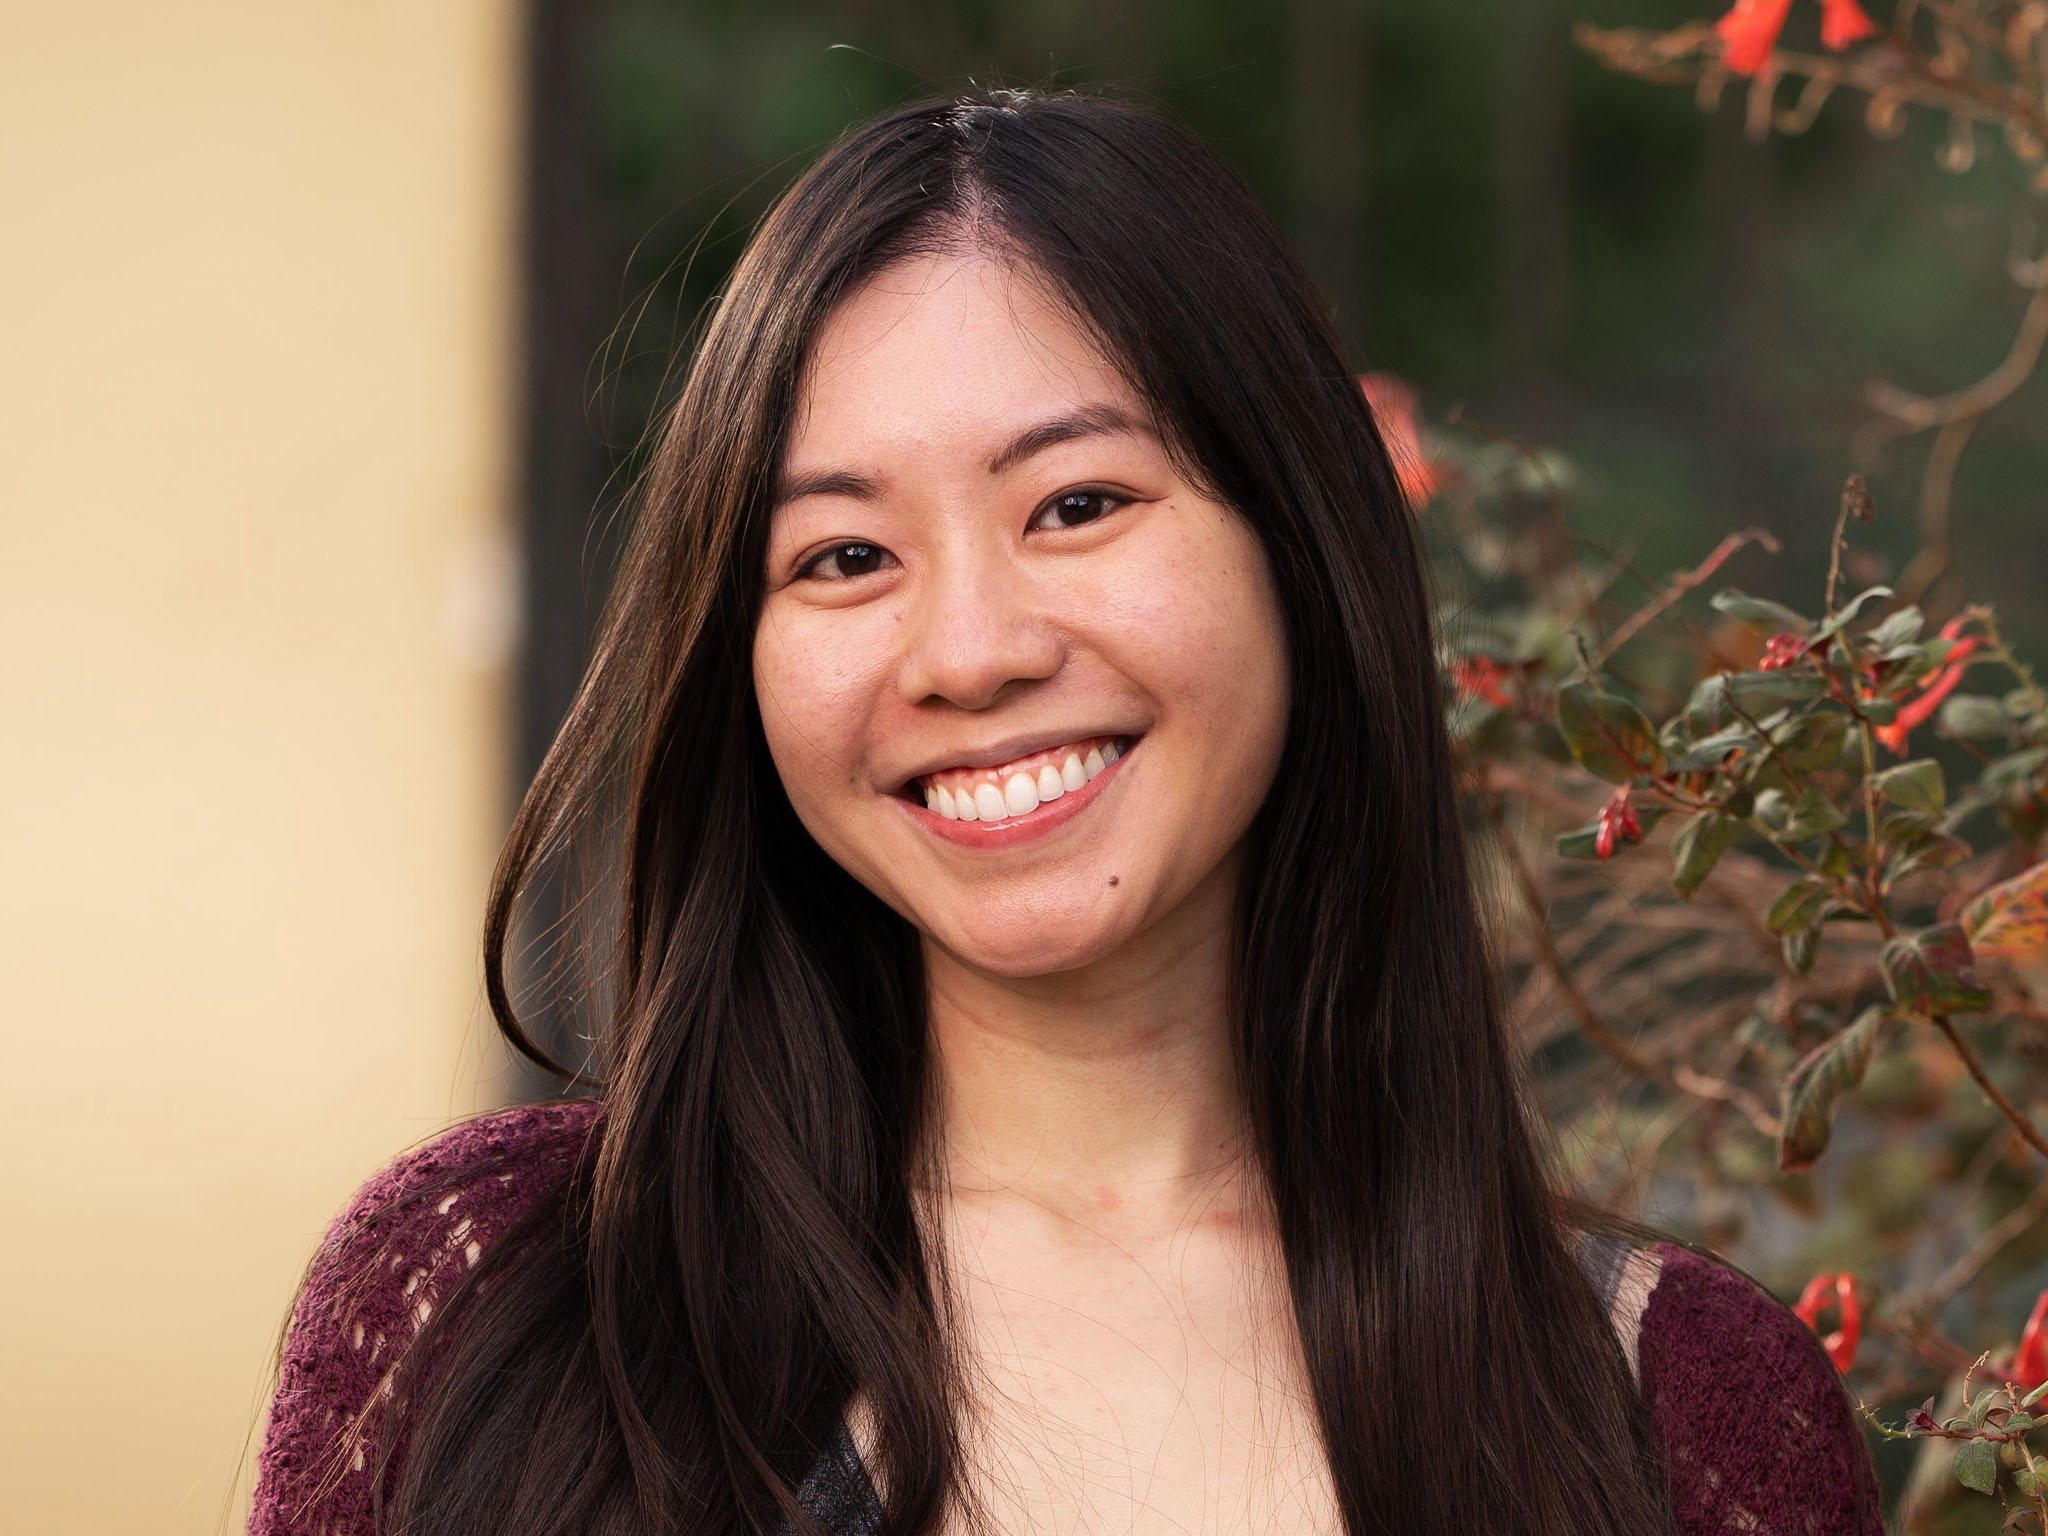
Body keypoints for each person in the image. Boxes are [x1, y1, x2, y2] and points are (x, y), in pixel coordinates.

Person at [249, 90, 1886, 1536]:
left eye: (1079, 504)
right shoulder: (490, 1304)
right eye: (842, 557)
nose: (968, 651)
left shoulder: (1669, 1412)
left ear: (1303, 552)